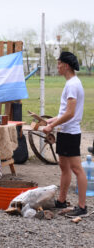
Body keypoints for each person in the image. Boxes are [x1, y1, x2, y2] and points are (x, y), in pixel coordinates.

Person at [43, 51, 87, 217]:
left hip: (70, 133)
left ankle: (82, 207)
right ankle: (61, 201)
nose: (58, 66)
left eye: (59, 63)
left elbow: (70, 113)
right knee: (64, 167)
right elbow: (66, 112)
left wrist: (52, 125)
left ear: (66, 65)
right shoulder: (71, 83)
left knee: (77, 169)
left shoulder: (72, 85)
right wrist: (53, 120)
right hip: (65, 131)